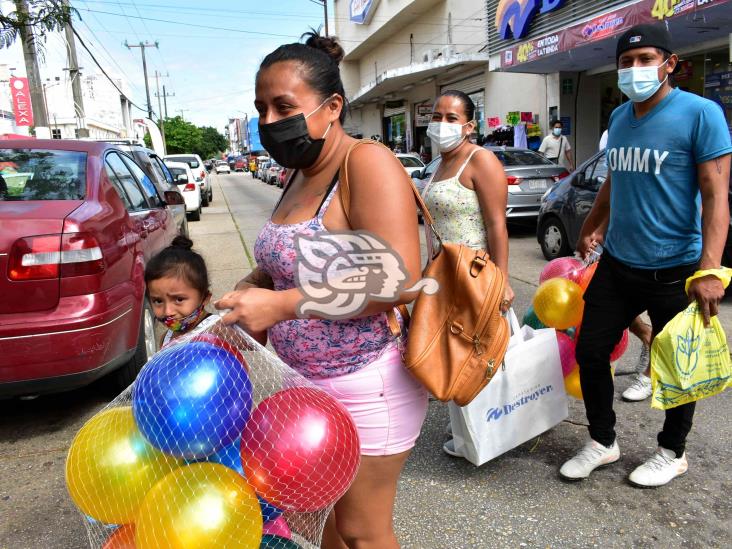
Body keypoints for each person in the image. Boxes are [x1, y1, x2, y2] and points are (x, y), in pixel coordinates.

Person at [214, 32, 428, 549]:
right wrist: (256, 283)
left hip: (365, 382)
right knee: (322, 526)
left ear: (331, 107)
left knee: (361, 532)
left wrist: (281, 304)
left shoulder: (365, 163)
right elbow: (292, 262)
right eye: (261, 108)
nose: (268, 121)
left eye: (283, 106)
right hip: (303, 387)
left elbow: (399, 278)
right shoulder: (297, 174)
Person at [560, 24, 731, 487]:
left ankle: (672, 451)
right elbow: (617, 179)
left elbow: (716, 197)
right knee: (591, 350)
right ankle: (603, 440)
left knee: (677, 364)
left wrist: (711, 269)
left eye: (645, 59)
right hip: (618, 263)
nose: (635, 69)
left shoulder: (700, 114)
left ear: (669, 63)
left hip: (675, 267)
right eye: (626, 62)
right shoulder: (619, 119)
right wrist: (593, 226)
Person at [419, 90, 514, 457]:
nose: (441, 124)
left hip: (477, 278)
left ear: (469, 126)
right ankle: (467, 430)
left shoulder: (481, 160)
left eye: (451, 118)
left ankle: (487, 432)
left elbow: (496, 224)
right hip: (445, 279)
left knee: (479, 352)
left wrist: (503, 279)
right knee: (456, 351)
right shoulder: (438, 165)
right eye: (437, 116)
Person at [145, 236, 219, 347]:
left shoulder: (218, 329)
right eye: (158, 301)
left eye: (179, 299)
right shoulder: (166, 339)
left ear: (205, 298)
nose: (168, 312)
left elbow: (250, 339)